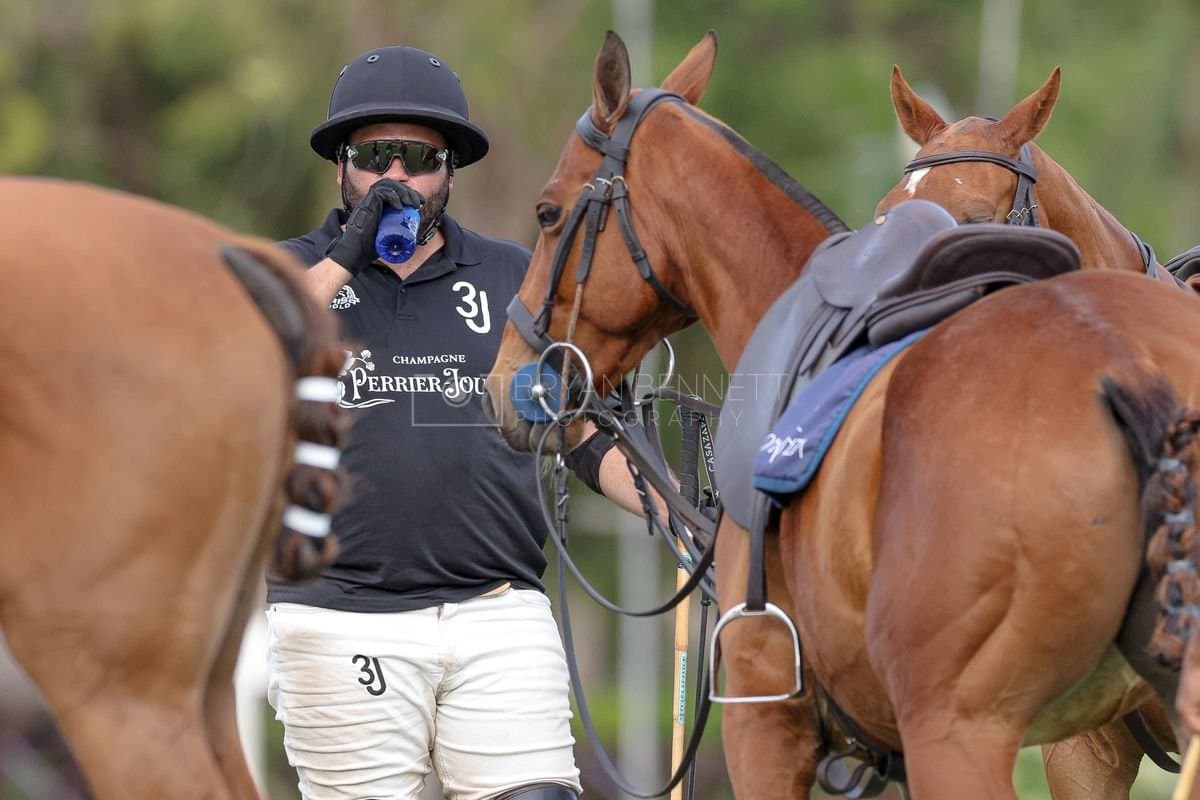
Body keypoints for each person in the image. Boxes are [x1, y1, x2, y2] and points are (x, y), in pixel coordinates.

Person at [264, 44, 586, 800]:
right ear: (341, 167)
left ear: (449, 171)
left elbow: (571, 427)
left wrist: (674, 508)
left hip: (498, 609)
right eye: (375, 156)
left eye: (418, 158)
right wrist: (348, 253)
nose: (396, 177)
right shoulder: (289, 270)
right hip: (339, 616)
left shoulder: (511, 275)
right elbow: (246, 341)